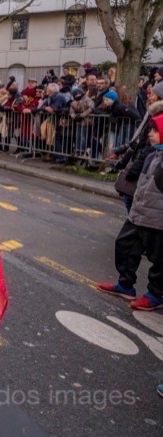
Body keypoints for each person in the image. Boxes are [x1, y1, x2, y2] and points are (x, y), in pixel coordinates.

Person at [96, 114, 163, 311]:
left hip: (158, 219)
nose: (150, 134)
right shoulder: (152, 154)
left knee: (159, 258)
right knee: (124, 245)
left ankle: (156, 293)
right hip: (139, 213)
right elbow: (142, 184)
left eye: (155, 130)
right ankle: (125, 284)